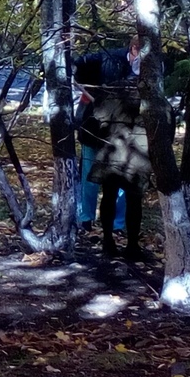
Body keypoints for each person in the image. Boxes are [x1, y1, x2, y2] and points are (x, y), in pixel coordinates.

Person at [72, 38, 138, 231]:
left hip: (123, 133)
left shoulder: (149, 69)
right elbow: (77, 68)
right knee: (90, 175)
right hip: (93, 128)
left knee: (121, 177)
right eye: (141, 53)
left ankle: (117, 224)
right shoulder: (106, 59)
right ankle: (86, 218)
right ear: (133, 48)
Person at [84, 80, 150, 260]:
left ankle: (107, 241)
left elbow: (88, 129)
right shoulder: (153, 100)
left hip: (110, 154)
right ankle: (132, 245)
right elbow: (166, 131)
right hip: (139, 158)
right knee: (134, 201)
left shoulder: (107, 97)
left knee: (109, 196)